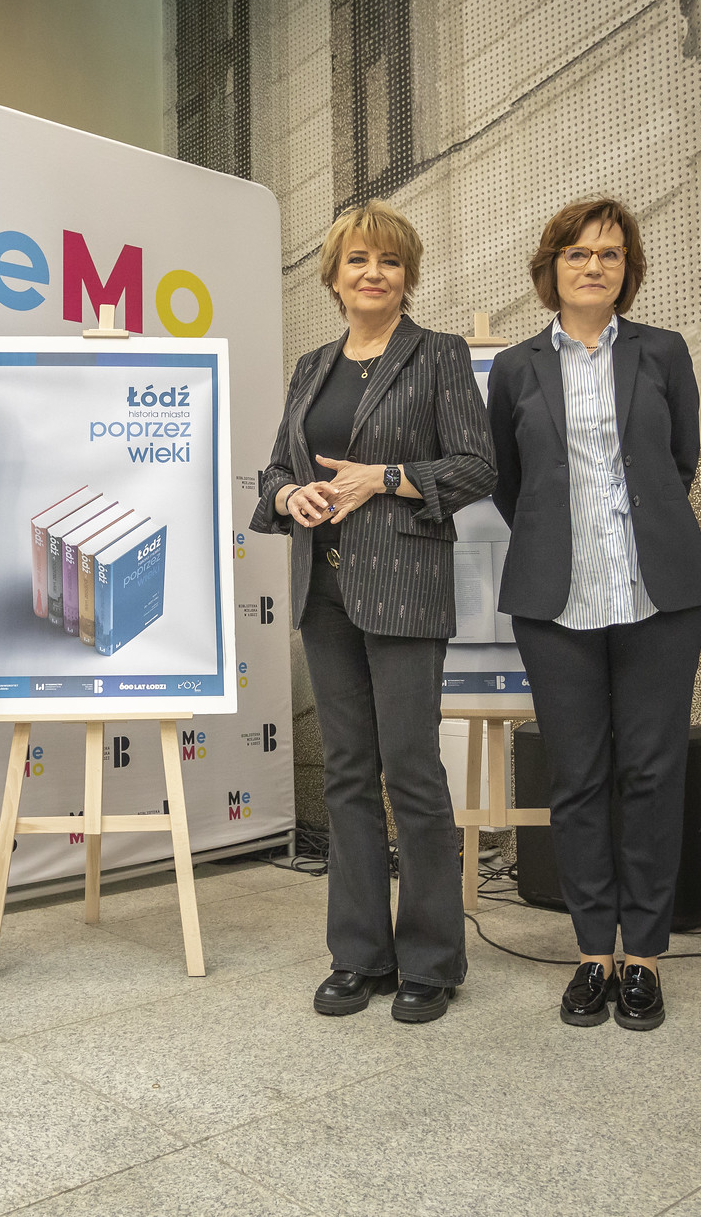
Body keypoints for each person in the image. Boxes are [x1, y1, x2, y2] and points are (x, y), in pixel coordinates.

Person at [249, 199, 495, 1024]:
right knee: (349, 774)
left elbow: (475, 467)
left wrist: (380, 478)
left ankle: (431, 957)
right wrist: (291, 491)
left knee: (412, 773)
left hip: (403, 591)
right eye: (357, 260)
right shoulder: (311, 365)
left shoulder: (438, 356)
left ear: (407, 275)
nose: (373, 273)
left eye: (388, 261)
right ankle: (357, 955)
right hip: (325, 590)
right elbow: (276, 469)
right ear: (334, 275)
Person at [487, 197, 701, 1031]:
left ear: (629, 269)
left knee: (653, 773)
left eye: (611, 255)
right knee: (576, 775)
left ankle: (644, 957)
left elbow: (680, 458)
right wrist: (560, 540)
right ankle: (592, 953)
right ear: (550, 267)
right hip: (556, 598)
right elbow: (513, 484)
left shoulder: (662, 351)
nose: (595, 266)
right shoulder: (516, 369)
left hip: (659, 592)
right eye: (579, 253)